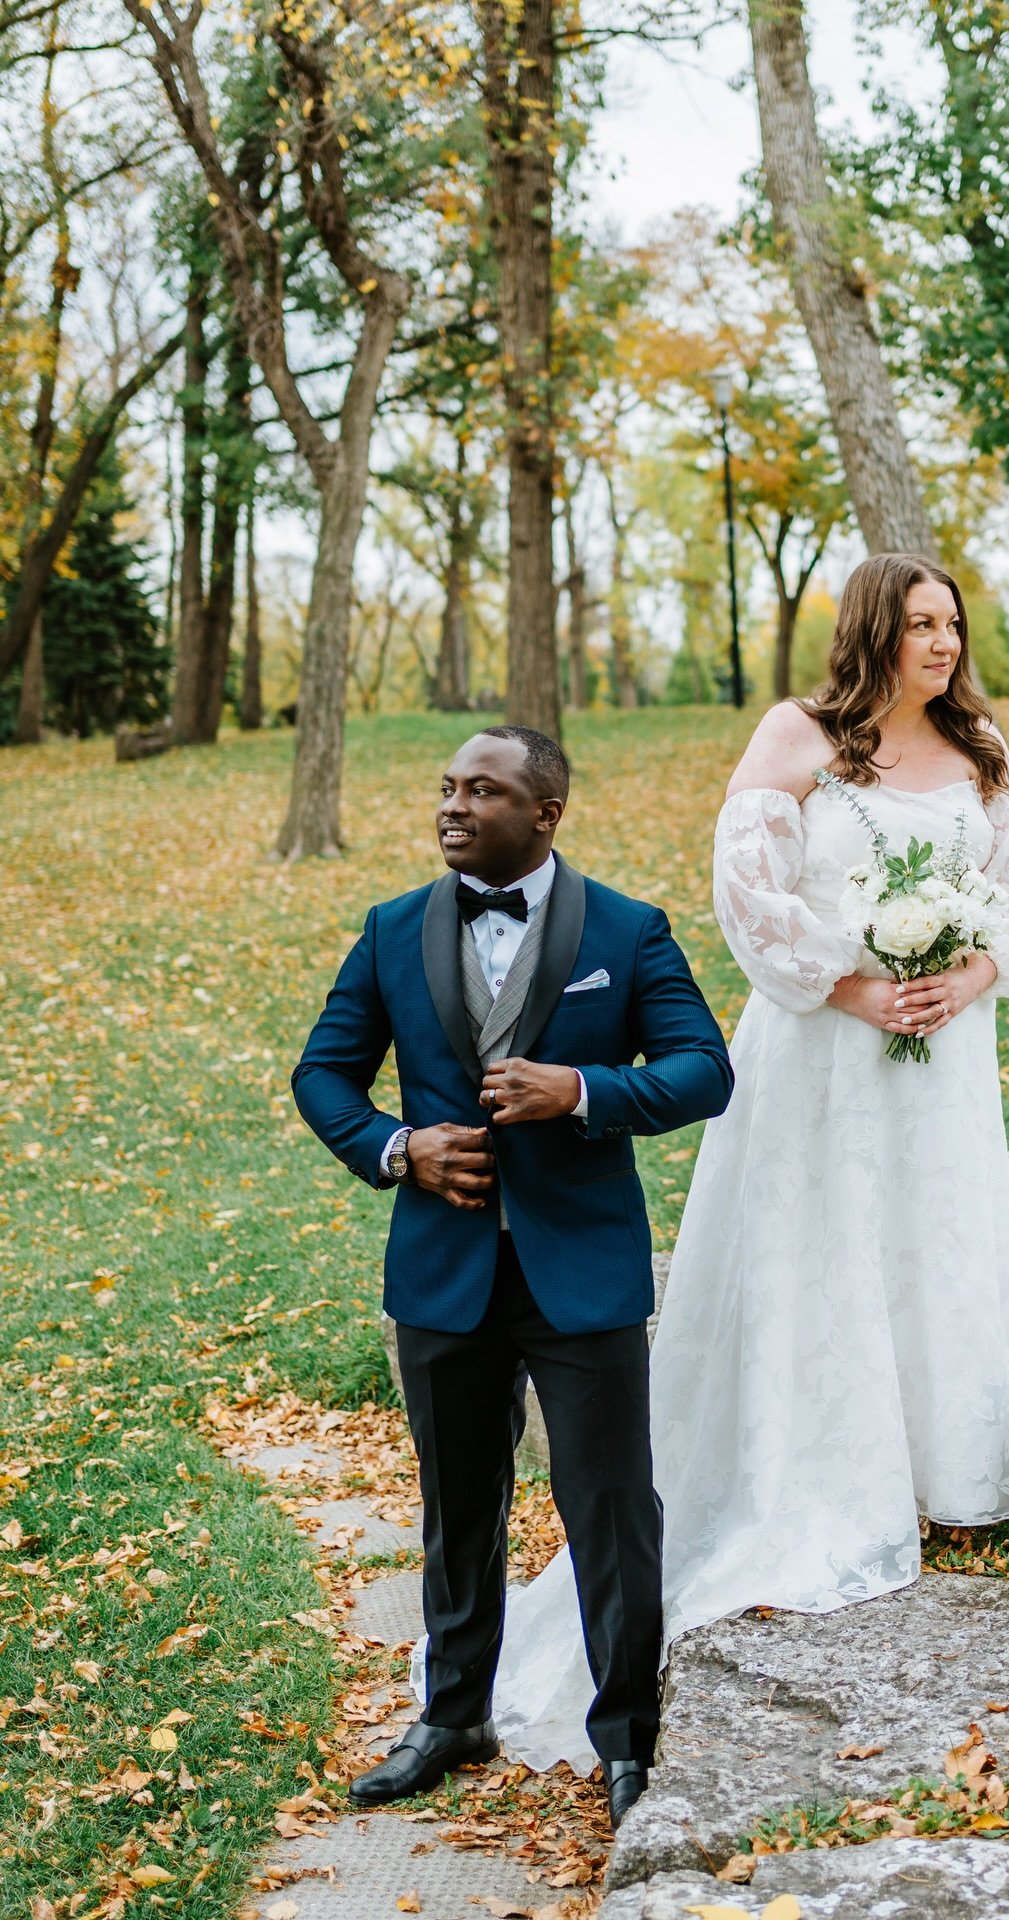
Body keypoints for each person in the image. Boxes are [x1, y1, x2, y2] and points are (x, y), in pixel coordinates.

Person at [491, 553, 1009, 1777]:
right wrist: (856, 987)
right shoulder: (797, 735)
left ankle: (934, 1467)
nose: (942, 644)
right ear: (871, 631)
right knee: (823, 1247)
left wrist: (962, 978)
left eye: (952, 625)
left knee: (931, 1239)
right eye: (918, 624)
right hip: (820, 1051)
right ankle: (806, 1475)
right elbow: (746, 895)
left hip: (943, 1056)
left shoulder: (982, 753)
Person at [291, 725, 733, 1829]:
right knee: (457, 1509)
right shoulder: (393, 931)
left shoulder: (627, 932)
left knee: (611, 1509)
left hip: (581, 1271)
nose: (451, 806)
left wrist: (581, 1092)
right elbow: (323, 1073)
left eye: (481, 791)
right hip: (442, 1273)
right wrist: (401, 1150)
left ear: (546, 813)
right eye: (445, 788)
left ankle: (629, 1737)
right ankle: (452, 1717)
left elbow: (702, 1069)